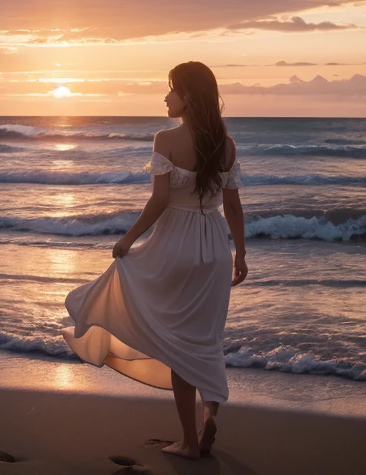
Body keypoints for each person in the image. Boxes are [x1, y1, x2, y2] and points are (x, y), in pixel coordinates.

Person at [62, 61, 248, 460]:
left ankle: (189, 441)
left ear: (189, 95)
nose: (166, 97)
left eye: (172, 89)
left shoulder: (166, 138)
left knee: (181, 345)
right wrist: (241, 253)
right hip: (215, 248)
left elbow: (161, 201)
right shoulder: (227, 145)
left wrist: (128, 240)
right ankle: (210, 413)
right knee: (207, 339)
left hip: (175, 246)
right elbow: (232, 206)